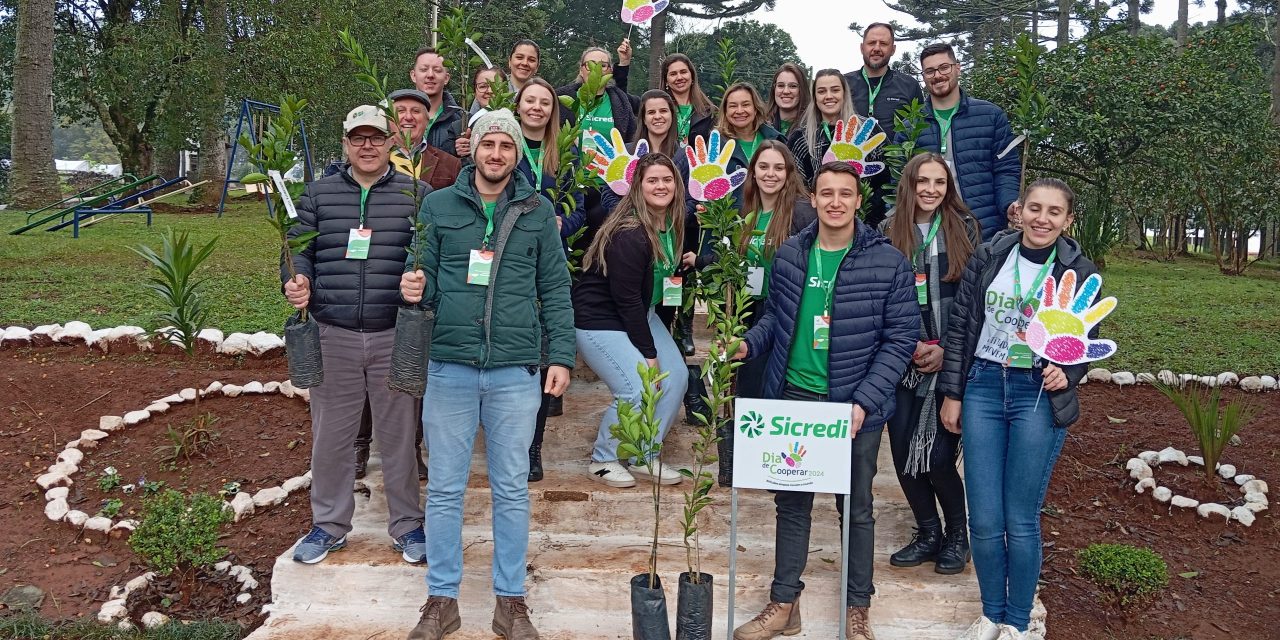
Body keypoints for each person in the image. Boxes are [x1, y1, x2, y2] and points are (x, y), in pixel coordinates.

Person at [400, 109, 573, 640]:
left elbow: (556, 289)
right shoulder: (437, 205)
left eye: (507, 145)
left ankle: (511, 602)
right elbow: (423, 275)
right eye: (489, 144)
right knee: (447, 490)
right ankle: (441, 600)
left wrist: (560, 355)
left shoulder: (537, 211)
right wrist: (414, 287)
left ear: (519, 154)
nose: (496, 154)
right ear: (473, 149)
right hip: (449, 367)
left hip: (514, 372)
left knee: (512, 489)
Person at [731, 162, 919, 640]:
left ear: (859, 201)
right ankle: (783, 603)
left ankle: (857, 610)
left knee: (855, 508)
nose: (836, 202)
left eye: (846, 194)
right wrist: (749, 343)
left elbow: (900, 340)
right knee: (791, 505)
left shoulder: (888, 261)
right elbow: (777, 316)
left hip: (853, 407)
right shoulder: (792, 253)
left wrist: (864, 401)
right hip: (795, 397)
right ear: (811, 199)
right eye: (827, 193)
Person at [938, 179, 1098, 640]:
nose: (1041, 219)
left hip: (1036, 394)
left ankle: (1017, 621)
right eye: (1034, 208)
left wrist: (1068, 374)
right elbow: (963, 327)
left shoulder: (1078, 271)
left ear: (1067, 221)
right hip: (984, 385)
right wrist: (953, 393)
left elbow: (1084, 340)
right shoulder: (990, 257)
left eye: (1053, 212)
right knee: (984, 517)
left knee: (1019, 516)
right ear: (1019, 211)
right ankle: (991, 614)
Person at [283, 105, 429, 566]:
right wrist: (295, 281)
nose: (367, 146)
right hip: (334, 333)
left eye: (376, 137)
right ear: (345, 144)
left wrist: (421, 280)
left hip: (394, 333)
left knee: (400, 436)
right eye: (357, 138)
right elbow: (296, 252)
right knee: (331, 437)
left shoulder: (417, 195)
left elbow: (429, 253)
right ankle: (328, 524)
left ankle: (407, 524)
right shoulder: (318, 195)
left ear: (391, 141)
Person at [879, 153, 979, 576]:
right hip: (901, 359)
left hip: (950, 358)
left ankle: (959, 536)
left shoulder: (966, 228)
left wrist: (945, 349)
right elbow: (878, 296)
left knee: (937, 458)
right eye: (923, 181)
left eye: (939, 182)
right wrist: (907, 346)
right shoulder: (886, 230)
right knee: (903, 455)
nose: (931, 190)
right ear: (910, 184)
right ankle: (927, 533)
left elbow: (974, 304)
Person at [575, 152, 689, 488]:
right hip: (600, 318)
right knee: (636, 386)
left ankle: (644, 454)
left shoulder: (673, 224)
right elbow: (625, 301)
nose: (661, 186)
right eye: (652, 180)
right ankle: (603, 459)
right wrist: (649, 354)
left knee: (678, 377)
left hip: (642, 311)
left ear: (677, 185)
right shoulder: (630, 233)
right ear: (638, 187)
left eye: (667, 179)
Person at [599, 90, 709, 429]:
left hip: (674, 243)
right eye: (651, 111)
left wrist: (673, 216)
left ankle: (673, 393)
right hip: (636, 246)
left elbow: (692, 195)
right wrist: (637, 216)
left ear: (673, 115)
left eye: (664, 110)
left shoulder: (684, 155)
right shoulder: (630, 153)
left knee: (664, 311)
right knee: (640, 318)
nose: (658, 116)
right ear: (642, 117)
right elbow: (607, 194)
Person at [712, 140, 816, 487]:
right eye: (763, 167)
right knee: (748, 381)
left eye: (778, 168)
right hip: (747, 308)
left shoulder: (801, 213)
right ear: (752, 172)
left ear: (788, 174)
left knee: (780, 384)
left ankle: (781, 461)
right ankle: (747, 460)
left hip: (787, 310)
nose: (770, 174)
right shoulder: (743, 209)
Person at [511, 77, 586, 483]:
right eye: (530, 101)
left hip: (554, 261)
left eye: (545, 102)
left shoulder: (566, 154)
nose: (537, 107)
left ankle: (533, 447)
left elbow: (585, 208)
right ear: (518, 105)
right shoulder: (504, 146)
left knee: (542, 357)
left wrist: (564, 221)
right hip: (511, 261)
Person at [906, 42, 1020, 241]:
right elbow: (900, 179)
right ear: (923, 77)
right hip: (929, 232)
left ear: (957, 68)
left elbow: (1006, 169)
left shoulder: (990, 116)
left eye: (944, 67)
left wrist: (1008, 203)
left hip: (984, 228)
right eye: (930, 71)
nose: (938, 75)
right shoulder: (910, 126)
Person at [845, 23, 922, 228]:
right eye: (871, 43)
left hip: (892, 183)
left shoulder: (908, 85)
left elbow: (919, 131)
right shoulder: (844, 84)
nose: (877, 48)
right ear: (862, 47)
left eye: (883, 43)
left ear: (893, 49)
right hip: (851, 178)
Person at [786, 70, 866, 189]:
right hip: (812, 206)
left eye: (835, 90)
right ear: (815, 97)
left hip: (861, 206)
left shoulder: (865, 130)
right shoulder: (800, 138)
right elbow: (794, 185)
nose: (828, 96)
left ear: (844, 93)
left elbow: (883, 180)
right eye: (821, 91)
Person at [387, 88, 462, 190]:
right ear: (388, 120)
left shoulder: (450, 164)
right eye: (400, 111)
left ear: (427, 120)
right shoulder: (372, 159)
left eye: (416, 111)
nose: (408, 117)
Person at [409, 47, 465, 158]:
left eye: (437, 70)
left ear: (446, 78)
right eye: (424, 69)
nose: (430, 75)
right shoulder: (394, 118)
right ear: (413, 75)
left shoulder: (461, 120)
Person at [661, 53, 717, 146]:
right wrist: (626, 64)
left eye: (683, 72)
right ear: (666, 80)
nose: (679, 77)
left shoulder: (710, 112)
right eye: (673, 74)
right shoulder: (657, 111)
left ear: (692, 76)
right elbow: (627, 103)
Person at [765, 63, 809, 137]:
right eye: (780, 85)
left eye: (793, 86)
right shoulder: (761, 125)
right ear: (774, 89)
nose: (786, 91)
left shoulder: (813, 127)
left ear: (802, 90)